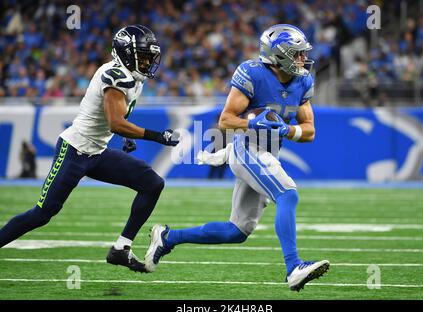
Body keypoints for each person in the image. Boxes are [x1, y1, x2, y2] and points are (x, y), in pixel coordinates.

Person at [145, 24, 329, 291]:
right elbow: (226, 120)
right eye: (297, 53)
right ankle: (293, 267)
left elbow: (310, 131)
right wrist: (253, 124)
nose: (302, 59)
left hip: (268, 152)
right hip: (247, 149)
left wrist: (288, 129)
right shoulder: (253, 73)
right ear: (279, 54)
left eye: (303, 53)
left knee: (237, 231)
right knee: (288, 193)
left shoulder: (302, 81)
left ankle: (167, 237)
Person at [0, 25, 179, 273]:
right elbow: (115, 122)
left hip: (98, 153)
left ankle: (121, 249)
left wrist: (126, 137)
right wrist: (158, 136)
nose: (149, 61)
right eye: (144, 55)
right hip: (74, 150)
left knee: (152, 183)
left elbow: (116, 119)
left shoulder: (133, 78)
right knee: (42, 214)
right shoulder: (115, 75)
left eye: (150, 56)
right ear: (126, 53)